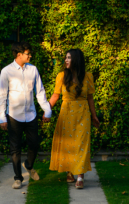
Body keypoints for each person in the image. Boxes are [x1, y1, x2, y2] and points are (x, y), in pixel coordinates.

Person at [0, 42, 52, 189]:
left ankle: (28, 165)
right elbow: (2, 95)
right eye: (28, 53)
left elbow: (40, 92)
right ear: (19, 54)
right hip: (14, 116)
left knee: (34, 144)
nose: (30, 55)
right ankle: (18, 178)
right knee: (15, 148)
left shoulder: (33, 70)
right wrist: (2, 117)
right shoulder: (6, 71)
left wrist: (47, 110)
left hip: (31, 115)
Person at [48, 48, 100, 189]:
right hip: (66, 113)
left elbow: (90, 98)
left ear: (76, 60)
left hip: (83, 113)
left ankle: (80, 176)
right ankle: (70, 170)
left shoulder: (88, 76)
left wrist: (94, 116)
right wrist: (47, 110)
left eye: (69, 57)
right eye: (66, 57)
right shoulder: (61, 76)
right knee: (68, 144)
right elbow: (55, 96)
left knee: (82, 144)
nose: (66, 60)